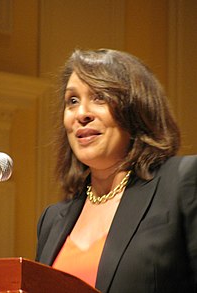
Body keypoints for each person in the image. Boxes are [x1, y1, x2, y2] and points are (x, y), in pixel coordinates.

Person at [35, 49, 197, 292]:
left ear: (136, 107)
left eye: (99, 97)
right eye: (73, 101)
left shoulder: (182, 182)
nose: (82, 114)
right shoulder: (51, 220)